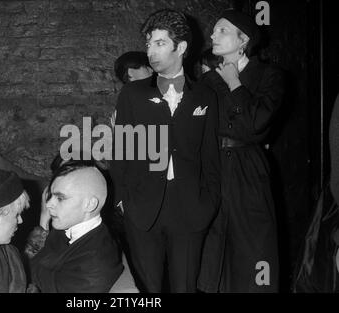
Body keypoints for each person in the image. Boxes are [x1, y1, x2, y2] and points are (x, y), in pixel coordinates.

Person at [110, 9, 220, 292]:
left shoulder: (205, 96)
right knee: (147, 290)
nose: (150, 51)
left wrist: (209, 203)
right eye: (148, 43)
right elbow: (122, 152)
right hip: (143, 210)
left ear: (180, 47)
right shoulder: (132, 94)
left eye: (159, 43)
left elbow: (211, 156)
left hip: (191, 209)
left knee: (185, 287)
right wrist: (123, 201)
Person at [198, 9, 284, 293]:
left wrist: (234, 84)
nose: (213, 35)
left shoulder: (270, 76)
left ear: (243, 39)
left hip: (248, 169)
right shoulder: (207, 81)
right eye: (214, 30)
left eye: (222, 30)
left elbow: (254, 126)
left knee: (252, 246)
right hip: (214, 167)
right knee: (212, 248)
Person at [25, 160, 123, 293]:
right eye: (50, 196)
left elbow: (30, 272)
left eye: (60, 198)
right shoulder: (67, 228)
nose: (48, 204)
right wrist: (43, 222)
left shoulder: (96, 262)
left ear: (90, 204)